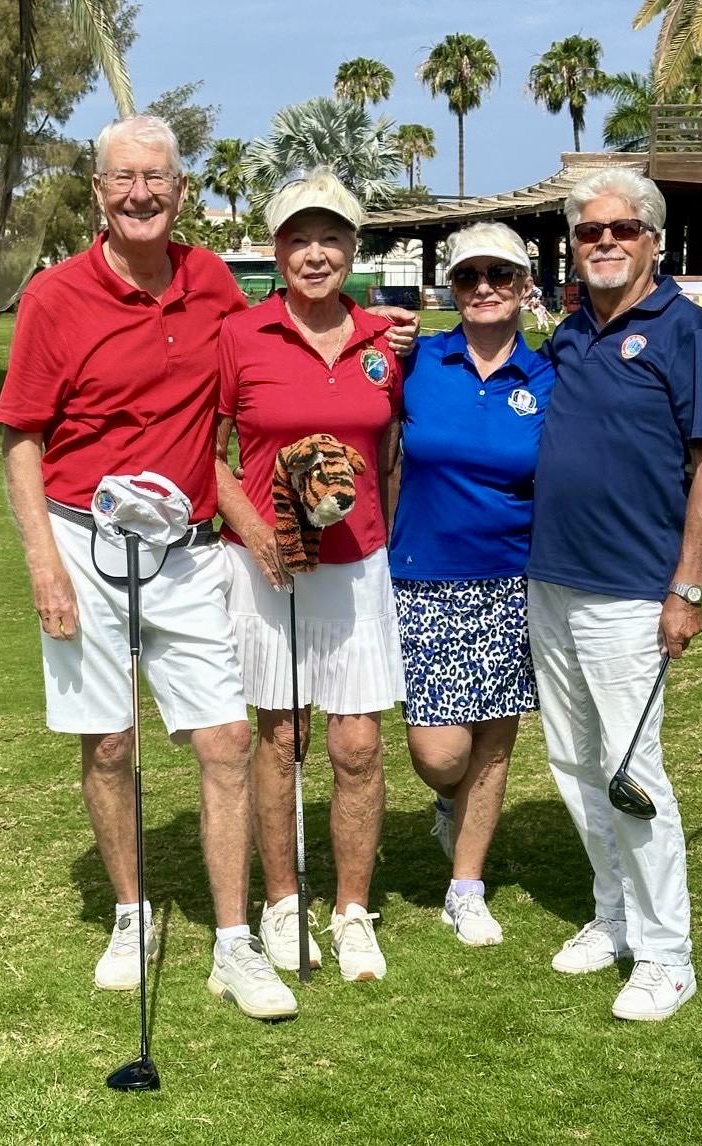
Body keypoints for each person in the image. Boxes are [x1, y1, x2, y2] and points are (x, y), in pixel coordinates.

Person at [0, 114, 303, 1022]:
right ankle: (132, 916)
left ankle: (234, 942)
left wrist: (380, 341)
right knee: (110, 742)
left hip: (187, 549)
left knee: (226, 740)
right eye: (123, 179)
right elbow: (22, 440)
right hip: (83, 543)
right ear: (99, 192)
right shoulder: (55, 297)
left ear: (180, 190)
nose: (140, 194)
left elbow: (269, 364)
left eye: (156, 179)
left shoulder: (213, 283)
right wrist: (43, 565)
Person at [527, 169, 702, 1022]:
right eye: (589, 231)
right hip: (550, 581)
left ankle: (666, 954)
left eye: (621, 228)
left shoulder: (687, 331)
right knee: (574, 763)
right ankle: (613, 915)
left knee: (630, 772)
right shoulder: (570, 334)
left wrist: (687, 586)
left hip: (631, 590)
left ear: (653, 239)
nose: (604, 241)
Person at [216, 169, 406, 985]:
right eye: (300, 239)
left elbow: (390, 453)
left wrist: (388, 540)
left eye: (332, 238)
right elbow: (206, 453)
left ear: (353, 249)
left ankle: (352, 910)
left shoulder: (384, 341)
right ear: (278, 250)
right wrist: (257, 531)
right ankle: (283, 903)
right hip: (269, 566)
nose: (316, 254)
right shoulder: (241, 335)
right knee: (283, 736)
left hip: (357, 564)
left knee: (357, 744)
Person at [388, 223, 554, 946]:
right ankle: (448, 807)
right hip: (420, 577)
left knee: (493, 742)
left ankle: (467, 887)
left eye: (500, 274)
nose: (485, 287)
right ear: (450, 289)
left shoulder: (548, 378)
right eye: (468, 276)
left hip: (512, 580)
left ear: (524, 285)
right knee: (441, 755)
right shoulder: (416, 360)